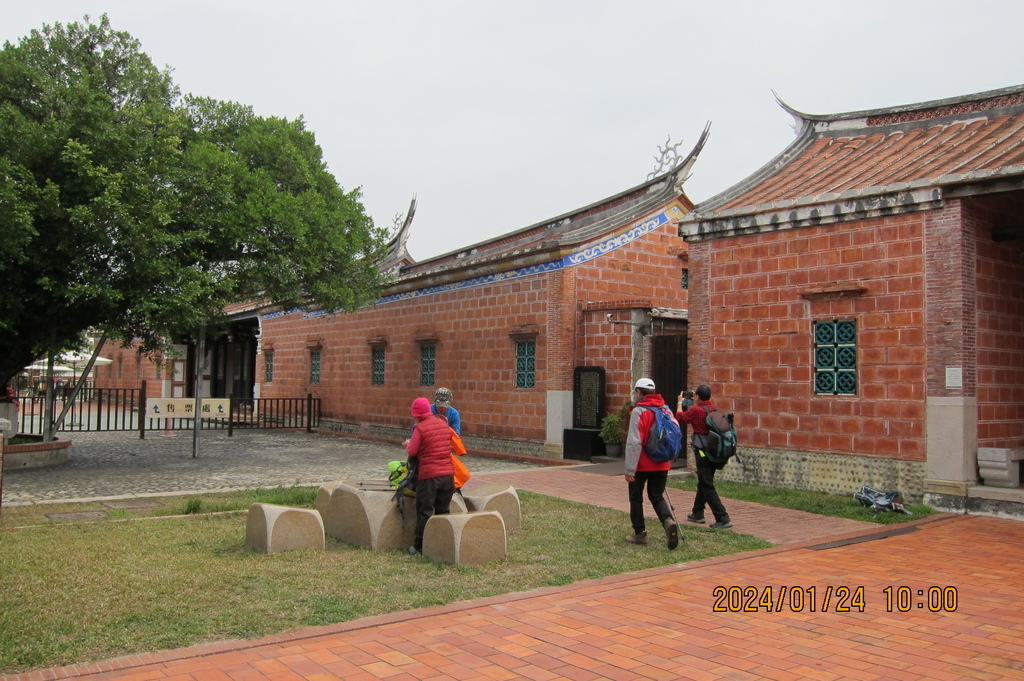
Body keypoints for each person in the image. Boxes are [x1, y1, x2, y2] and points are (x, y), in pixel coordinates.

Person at [623, 378, 680, 549]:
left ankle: (640, 533)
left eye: (635, 392)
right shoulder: (666, 409)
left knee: (636, 498)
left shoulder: (639, 411)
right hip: (662, 463)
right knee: (656, 496)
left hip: (641, 463)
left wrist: (629, 469)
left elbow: (634, 442)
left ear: (639, 392)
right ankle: (667, 520)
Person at [402, 397, 456, 555]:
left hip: (429, 476)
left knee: (425, 511)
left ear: (416, 414)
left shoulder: (420, 428)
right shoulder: (443, 424)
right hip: (448, 475)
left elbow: (412, 451)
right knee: (443, 511)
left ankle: (419, 547)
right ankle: (443, 545)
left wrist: (408, 444)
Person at [676, 384, 732, 529]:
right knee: (704, 480)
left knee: (706, 484)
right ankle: (697, 512)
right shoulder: (715, 409)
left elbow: (679, 417)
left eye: (695, 395)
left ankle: (722, 517)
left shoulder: (696, 411)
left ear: (698, 397)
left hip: (702, 452)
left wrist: (680, 402)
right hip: (714, 452)